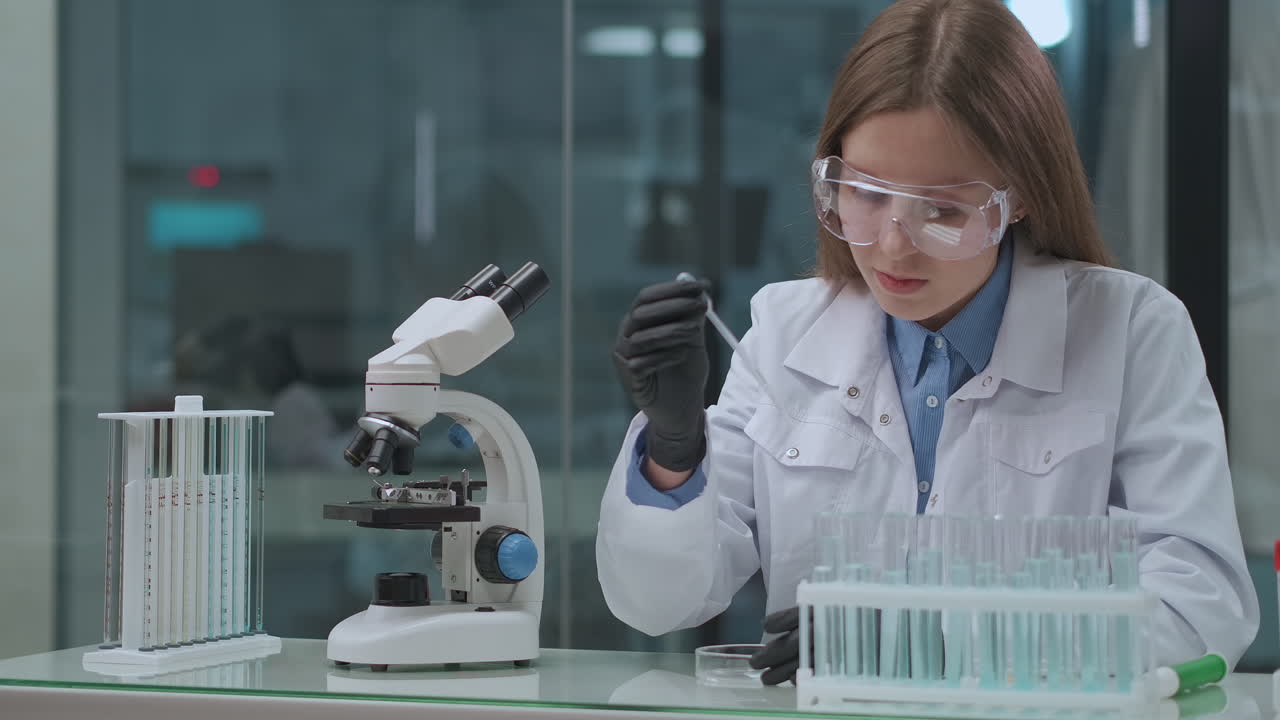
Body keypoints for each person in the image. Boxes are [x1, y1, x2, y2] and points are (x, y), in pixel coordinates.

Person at [596, 0, 1259, 685]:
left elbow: (1198, 607)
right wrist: (673, 454)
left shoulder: (1131, 331)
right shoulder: (784, 331)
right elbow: (659, 603)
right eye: (865, 193)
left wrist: (934, 644)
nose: (891, 244)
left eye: (941, 208)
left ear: (1021, 196)